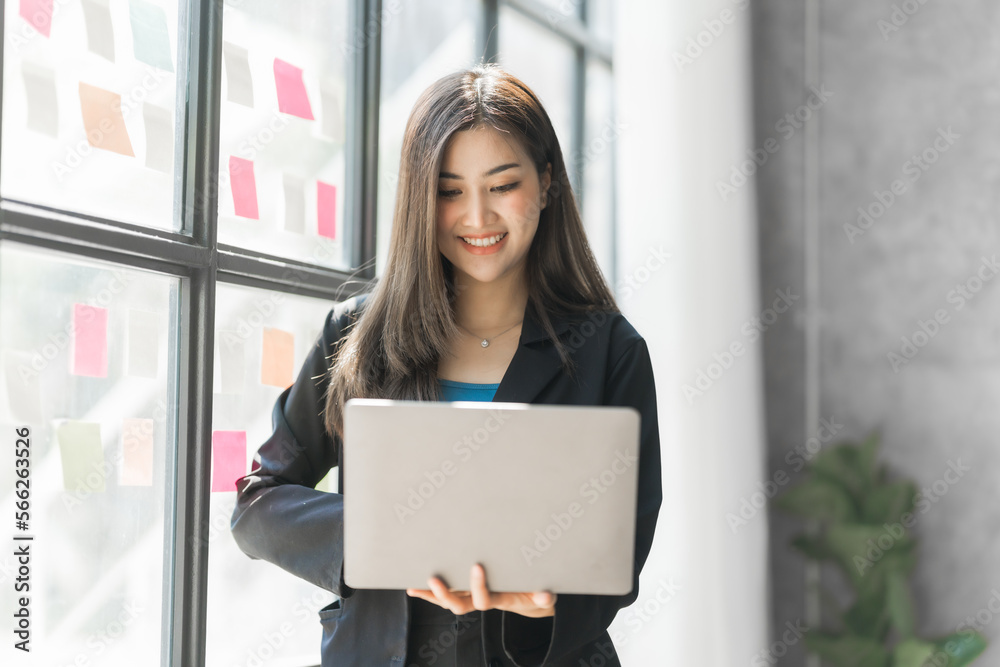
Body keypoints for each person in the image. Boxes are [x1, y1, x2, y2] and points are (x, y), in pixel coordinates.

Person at [230, 62, 662, 667]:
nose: (477, 217)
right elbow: (257, 504)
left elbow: (623, 552)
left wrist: (550, 600)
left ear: (545, 183)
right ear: (419, 199)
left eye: (502, 185)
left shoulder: (610, 350)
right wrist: (385, 535)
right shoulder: (358, 334)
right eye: (449, 190)